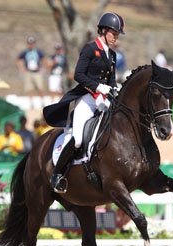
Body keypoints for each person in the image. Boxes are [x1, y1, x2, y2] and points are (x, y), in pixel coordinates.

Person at [43, 12, 125, 193]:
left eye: (117, 34)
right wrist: (98, 87)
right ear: (103, 31)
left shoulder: (112, 55)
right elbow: (79, 75)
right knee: (78, 139)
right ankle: (58, 174)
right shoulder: (90, 49)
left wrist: (114, 89)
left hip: (104, 100)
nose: (115, 37)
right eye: (113, 33)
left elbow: (111, 79)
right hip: (87, 100)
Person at [16, 36, 47, 108]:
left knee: (40, 87)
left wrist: (43, 68)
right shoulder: (25, 52)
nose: (31, 45)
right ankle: (31, 103)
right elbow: (18, 60)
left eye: (32, 43)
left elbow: (45, 59)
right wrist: (22, 68)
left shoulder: (38, 52)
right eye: (29, 43)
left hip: (37, 72)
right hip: (28, 72)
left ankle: (42, 102)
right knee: (29, 88)